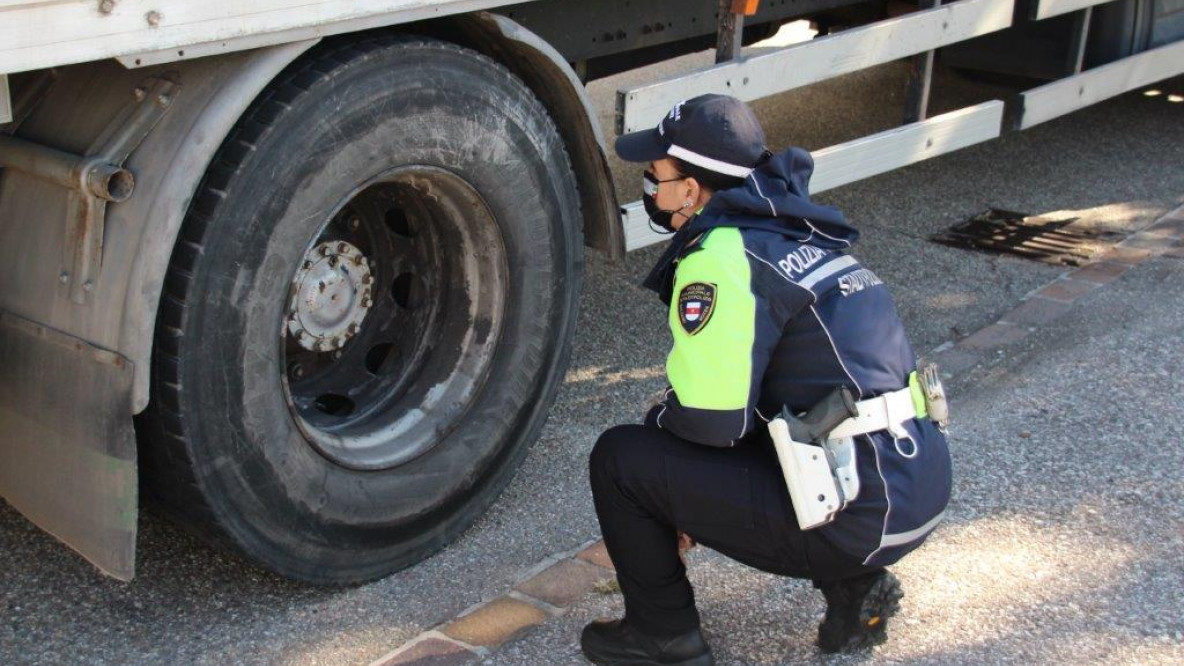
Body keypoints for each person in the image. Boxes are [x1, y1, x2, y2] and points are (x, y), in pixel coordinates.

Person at [581, 94, 952, 666]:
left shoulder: (723, 254)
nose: (650, 188)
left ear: (693, 188)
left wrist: (666, 472)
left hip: (859, 513)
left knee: (623, 460)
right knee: (780, 422)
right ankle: (854, 586)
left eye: (656, 175)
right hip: (914, 486)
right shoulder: (798, 229)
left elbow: (710, 421)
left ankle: (663, 636)